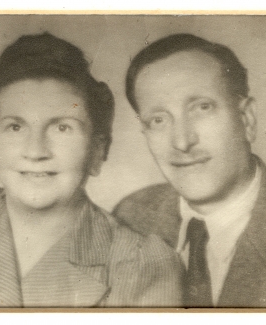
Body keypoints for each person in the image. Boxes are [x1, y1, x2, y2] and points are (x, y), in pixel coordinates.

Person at [0, 33, 182, 307]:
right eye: (15, 127)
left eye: (62, 127)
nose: (36, 151)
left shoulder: (145, 265)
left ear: (98, 149)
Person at [113, 33, 266, 307]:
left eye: (202, 108)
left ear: (247, 119)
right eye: (158, 120)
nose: (182, 142)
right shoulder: (131, 217)